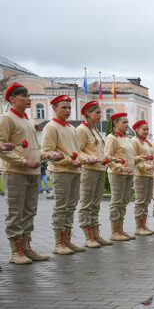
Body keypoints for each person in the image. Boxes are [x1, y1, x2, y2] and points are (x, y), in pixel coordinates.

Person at [0, 83, 47, 264]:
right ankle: (15, 251)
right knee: (15, 211)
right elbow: (2, 147)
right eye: (24, 96)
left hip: (32, 172)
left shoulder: (27, 120)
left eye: (29, 96)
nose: (29, 99)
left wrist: (42, 157)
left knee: (29, 211)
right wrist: (23, 161)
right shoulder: (7, 118)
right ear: (12, 99)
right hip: (15, 172)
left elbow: (35, 148)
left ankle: (26, 247)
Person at [41, 94, 89, 255]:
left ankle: (67, 240)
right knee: (61, 207)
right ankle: (58, 242)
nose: (68, 110)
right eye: (64, 107)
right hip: (61, 171)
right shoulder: (51, 126)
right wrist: (69, 161)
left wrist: (85, 158)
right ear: (54, 108)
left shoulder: (71, 128)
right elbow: (46, 152)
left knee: (70, 207)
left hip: (75, 170)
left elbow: (77, 151)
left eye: (69, 107)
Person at [76, 100, 112, 248]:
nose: (100, 115)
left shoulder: (95, 130)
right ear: (88, 113)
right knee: (87, 204)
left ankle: (95, 233)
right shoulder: (82, 130)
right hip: (89, 170)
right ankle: (88, 236)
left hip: (98, 170)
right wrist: (87, 158)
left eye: (100, 112)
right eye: (97, 112)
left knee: (95, 204)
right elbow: (77, 150)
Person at [103, 112, 137, 241]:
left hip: (128, 173)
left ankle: (120, 229)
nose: (127, 125)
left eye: (127, 122)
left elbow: (130, 157)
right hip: (117, 174)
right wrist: (120, 168)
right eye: (124, 122)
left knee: (124, 201)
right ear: (115, 123)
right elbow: (107, 157)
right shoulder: (112, 138)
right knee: (117, 202)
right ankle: (114, 231)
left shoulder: (126, 138)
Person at [130, 120, 154, 236]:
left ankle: (144, 225)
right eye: (143, 129)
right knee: (140, 201)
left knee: (146, 201)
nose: (146, 131)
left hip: (149, 174)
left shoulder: (147, 142)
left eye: (147, 129)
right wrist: (148, 166)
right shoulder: (134, 141)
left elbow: (150, 158)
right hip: (140, 174)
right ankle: (138, 227)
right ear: (136, 129)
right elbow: (134, 159)